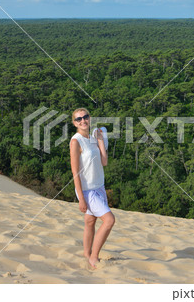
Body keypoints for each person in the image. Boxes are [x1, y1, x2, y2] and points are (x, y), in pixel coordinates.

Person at [69, 108, 115, 269]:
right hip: (87, 190)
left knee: (90, 221)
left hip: (99, 186)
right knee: (109, 220)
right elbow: (75, 172)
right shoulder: (76, 141)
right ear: (74, 123)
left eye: (85, 117)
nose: (83, 121)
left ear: (90, 118)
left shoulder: (93, 137)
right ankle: (94, 258)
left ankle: (87, 254)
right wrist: (81, 198)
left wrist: (101, 141)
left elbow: (104, 162)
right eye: (78, 119)